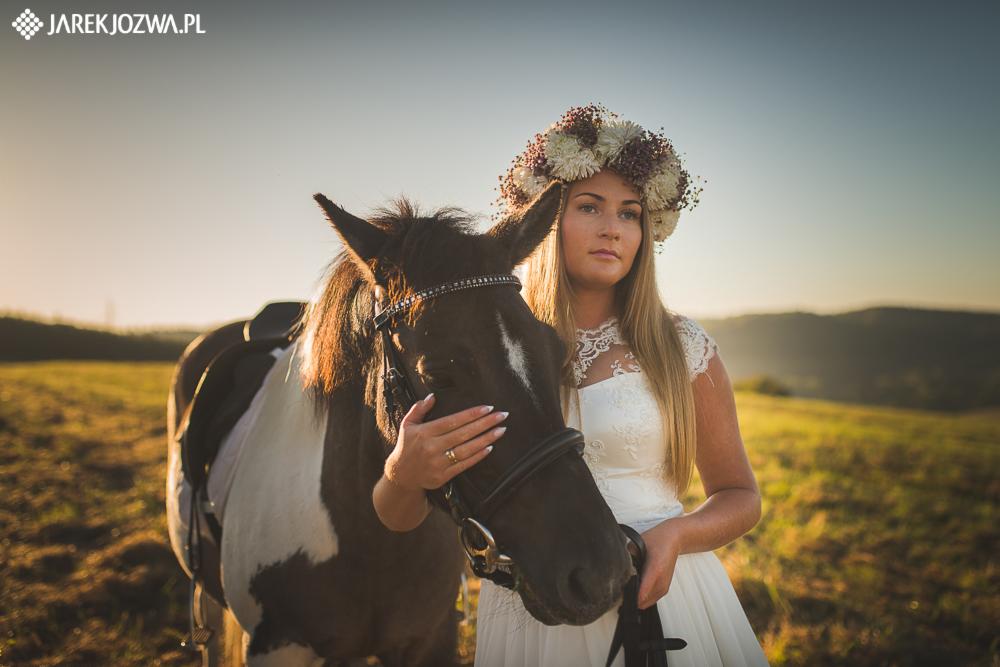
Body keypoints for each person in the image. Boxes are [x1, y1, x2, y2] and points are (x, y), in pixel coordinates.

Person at [372, 104, 770, 666]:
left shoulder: (681, 347)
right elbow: (398, 514)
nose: (613, 228)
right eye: (590, 207)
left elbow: (741, 496)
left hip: (659, 592)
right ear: (544, 222)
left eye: (630, 214)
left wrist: (676, 535)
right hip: (530, 611)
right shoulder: (496, 351)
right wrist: (401, 472)